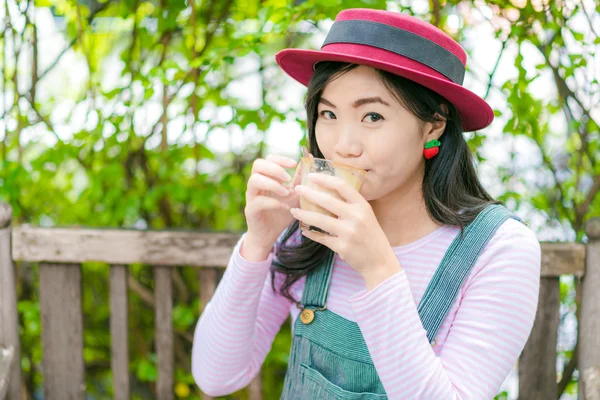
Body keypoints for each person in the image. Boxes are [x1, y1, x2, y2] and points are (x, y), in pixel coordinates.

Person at [191, 8, 541, 399]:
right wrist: (257, 243)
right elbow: (216, 376)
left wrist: (378, 266)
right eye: (328, 113)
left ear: (435, 123)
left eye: (372, 116)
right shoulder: (311, 225)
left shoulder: (500, 249)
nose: (343, 145)